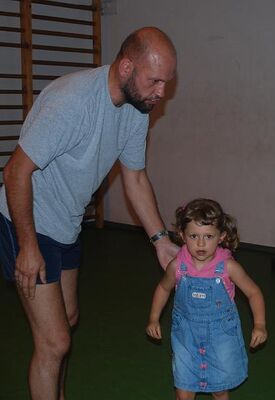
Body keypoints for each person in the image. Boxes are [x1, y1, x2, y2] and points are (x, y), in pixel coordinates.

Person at [0, 27, 179, 400]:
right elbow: (15, 171)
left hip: (66, 223)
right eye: (155, 80)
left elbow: (135, 178)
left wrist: (161, 241)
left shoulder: (137, 109)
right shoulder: (72, 101)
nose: (161, 92)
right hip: (27, 219)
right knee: (55, 341)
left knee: (68, 321)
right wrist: (27, 246)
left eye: (167, 81)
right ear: (126, 67)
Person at [146, 198, 268, 400]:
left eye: (209, 236)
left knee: (219, 388)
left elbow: (254, 293)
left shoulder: (228, 267)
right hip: (185, 336)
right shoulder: (177, 266)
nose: (201, 243)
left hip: (221, 336)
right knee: (183, 389)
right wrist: (153, 318)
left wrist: (260, 324)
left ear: (221, 236)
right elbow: (163, 288)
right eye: (193, 236)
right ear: (182, 235)